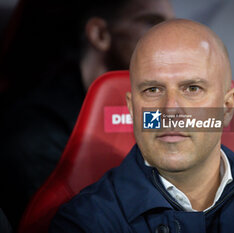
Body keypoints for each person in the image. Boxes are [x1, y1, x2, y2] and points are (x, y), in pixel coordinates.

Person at [50, 19, 234, 233]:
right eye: (153, 89)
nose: (170, 109)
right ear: (133, 110)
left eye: (192, 88)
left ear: (226, 108)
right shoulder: (85, 222)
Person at [0, 0, 173, 228]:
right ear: (100, 34)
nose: (171, 40)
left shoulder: (153, 115)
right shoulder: (36, 131)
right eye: (152, 24)